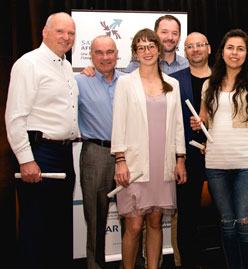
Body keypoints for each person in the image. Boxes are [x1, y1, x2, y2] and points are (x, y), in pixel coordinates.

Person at [190, 29, 248, 269]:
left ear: (247, 54)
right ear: (222, 52)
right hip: (216, 162)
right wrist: (199, 123)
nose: (234, 53)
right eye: (230, 48)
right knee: (226, 222)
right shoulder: (208, 85)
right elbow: (204, 119)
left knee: (246, 222)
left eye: (240, 49)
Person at [5, 12, 78, 269]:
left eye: (70, 33)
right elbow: (15, 117)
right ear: (44, 32)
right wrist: (26, 160)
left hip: (62, 154)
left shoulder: (66, 65)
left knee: (58, 228)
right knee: (36, 228)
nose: (66, 37)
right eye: (60, 31)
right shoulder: (29, 64)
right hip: (40, 153)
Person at [111, 28, 187, 269]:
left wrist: (180, 159)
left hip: (162, 164)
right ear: (134, 52)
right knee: (133, 226)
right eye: (141, 47)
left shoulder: (172, 84)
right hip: (134, 165)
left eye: (151, 46)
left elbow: (178, 126)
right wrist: (120, 159)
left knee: (155, 223)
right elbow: (118, 123)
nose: (147, 51)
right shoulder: (125, 83)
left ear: (158, 49)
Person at [75, 35, 125, 269]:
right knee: (95, 217)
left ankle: (133, 262)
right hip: (96, 154)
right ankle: (95, 265)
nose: (105, 58)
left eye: (109, 52)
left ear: (117, 54)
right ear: (91, 55)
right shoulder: (78, 82)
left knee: (132, 217)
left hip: (128, 155)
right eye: (99, 53)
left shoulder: (129, 81)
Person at [169, 32, 212, 268]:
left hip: (218, 154)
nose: (195, 49)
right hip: (186, 156)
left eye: (200, 45)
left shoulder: (223, 77)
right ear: (184, 53)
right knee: (187, 216)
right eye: (190, 46)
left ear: (209, 49)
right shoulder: (173, 80)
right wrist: (179, 157)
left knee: (222, 215)